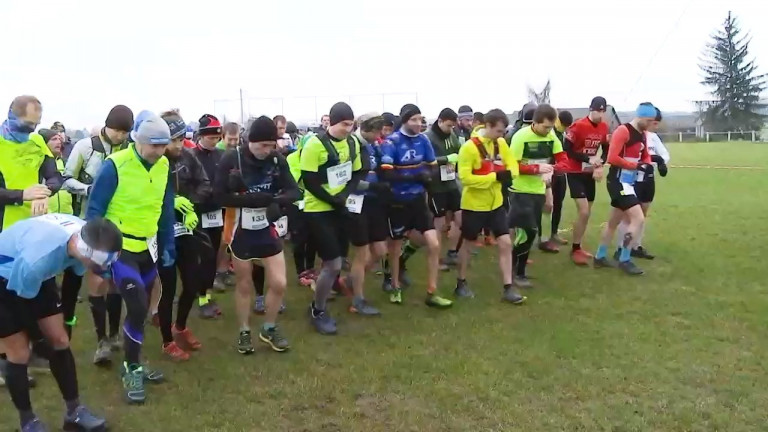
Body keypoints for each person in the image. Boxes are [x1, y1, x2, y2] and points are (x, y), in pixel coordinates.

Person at [86, 110, 175, 404]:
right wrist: (99, 252)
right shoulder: (115, 165)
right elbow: (94, 211)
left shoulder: (163, 165)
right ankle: (131, 367)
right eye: (155, 145)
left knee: (145, 309)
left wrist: (167, 245)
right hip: (120, 250)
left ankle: (134, 358)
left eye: (164, 146)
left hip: (147, 249)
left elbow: (164, 209)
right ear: (138, 141)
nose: (160, 151)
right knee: (136, 307)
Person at [0, 214, 118, 431]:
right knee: (19, 352)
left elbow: (73, 281)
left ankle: (74, 413)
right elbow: (21, 302)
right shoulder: (39, 258)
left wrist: (68, 321)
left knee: (61, 340)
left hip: (37, 276)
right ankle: (28, 422)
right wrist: (38, 339)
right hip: (7, 276)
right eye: (98, 265)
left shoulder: (85, 238)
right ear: (86, 251)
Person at [215, 116, 300, 353]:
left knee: (280, 283)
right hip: (241, 228)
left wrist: (276, 201)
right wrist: (249, 200)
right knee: (244, 284)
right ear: (250, 141)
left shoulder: (276, 159)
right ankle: (244, 331)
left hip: (267, 227)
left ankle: (269, 328)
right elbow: (219, 195)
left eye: (271, 145)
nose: (267, 150)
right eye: (262, 145)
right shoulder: (233, 158)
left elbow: (294, 191)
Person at [62, 105, 133, 359]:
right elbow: (65, 178)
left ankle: (114, 335)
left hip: (118, 224)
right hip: (87, 221)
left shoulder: (128, 150)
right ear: (107, 125)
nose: (120, 137)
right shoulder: (85, 147)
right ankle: (99, 339)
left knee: (114, 279)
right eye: (117, 131)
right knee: (94, 278)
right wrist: (87, 189)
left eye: (125, 133)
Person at [300, 102, 366, 334]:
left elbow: (357, 172)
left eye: (351, 124)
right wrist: (332, 199)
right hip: (318, 209)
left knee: (337, 261)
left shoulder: (353, 142)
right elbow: (309, 180)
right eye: (344, 124)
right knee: (333, 263)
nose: (348, 129)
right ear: (331, 122)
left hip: (340, 206)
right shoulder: (314, 144)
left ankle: (323, 290)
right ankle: (317, 310)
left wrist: (345, 195)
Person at [378, 103, 453, 308]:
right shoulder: (391, 142)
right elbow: (386, 172)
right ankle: (394, 285)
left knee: (434, 243)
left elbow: (432, 169)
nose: (419, 123)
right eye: (414, 119)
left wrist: (426, 177)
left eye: (421, 119)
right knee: (394, 247)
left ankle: (432, 291)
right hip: (397, 202)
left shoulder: (424, 141)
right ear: (404, 121)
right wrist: (413, 175)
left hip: (419, 200)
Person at [156, 110, 212, 361]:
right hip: (162, 233)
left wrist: (191, 204)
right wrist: (169, 203)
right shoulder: (153, 162)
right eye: (173, 140)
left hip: (187, 229)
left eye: (181, 139)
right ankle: (167, 340)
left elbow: (204, 183)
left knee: (191, 283)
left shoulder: (188, 157)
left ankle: (180, 326)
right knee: (167, 289)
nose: (179, 145)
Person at [456, 109, 525, 304]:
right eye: (498, 131)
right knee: (468, 245)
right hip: (474, 206)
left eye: (503, 132)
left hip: (496, 204)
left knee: (505, 243)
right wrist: (494, 177)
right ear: (487, 126)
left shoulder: (501, 143)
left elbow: (513, 166)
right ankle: (460, 282)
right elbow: (466, 178)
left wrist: (509, 174)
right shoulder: (469, 148)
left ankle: (508, 288)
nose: (502, 135)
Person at [508, 104, 569, 287]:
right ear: (534, 123)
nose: (548, 131)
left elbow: (563, 161)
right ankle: (514, 273)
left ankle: (517, 271)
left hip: (538, 191)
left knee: (529, 233)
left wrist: (552, 170)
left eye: (551, 127)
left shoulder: (552, 137)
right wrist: (536, 168)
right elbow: (513, 166)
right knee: (528, 232)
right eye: (545, 127)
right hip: (520, 191)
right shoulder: (521, 137)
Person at [593, 103, 657, 275]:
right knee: (638, 219)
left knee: (613, 221)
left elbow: (645, 155)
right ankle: (625, 258)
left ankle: (599, 256)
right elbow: (612, 158)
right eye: (649, 120)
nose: (651, 124)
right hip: (618, 182)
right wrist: (635, 165)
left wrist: (648, 164)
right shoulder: (623, 131)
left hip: (629, 182)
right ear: (641, 116)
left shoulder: (642, 134)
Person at [342, 112, 391, 315]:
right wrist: (373, 187)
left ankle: (349, 281)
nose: (381, 135)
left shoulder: (375, 144)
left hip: (374, 204)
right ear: (367, 130)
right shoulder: (350, 145)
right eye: (378, 131)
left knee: (380, 251)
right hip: (356, 203)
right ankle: (357, 300)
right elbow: (347, 180)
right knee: (362, 253)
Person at [559, 97, 610, 264]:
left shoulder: (604, 126)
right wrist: (589, 159)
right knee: (584, 211)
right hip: (575, 172)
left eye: (603, 111)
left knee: (587, 213)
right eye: (597, 110)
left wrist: (600, 164)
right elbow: (567, 149)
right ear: (590, 109)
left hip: (589, 173)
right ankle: (575, 250)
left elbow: (606, 149)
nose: (600, 114)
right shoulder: (578, 126)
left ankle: (578, 246)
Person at [615, 106, 669, 260]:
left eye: (656, 123)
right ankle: (621, 247)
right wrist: (652, 159)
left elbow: (664, 155)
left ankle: (636, 246)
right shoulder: (630, 134)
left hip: (648, 180)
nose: (655, 126)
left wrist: (658, 161)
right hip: (631, 180)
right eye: (653, 122)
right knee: (628, 216)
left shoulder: (653, 137)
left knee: (643, 214)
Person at [191, 114, 227, 318]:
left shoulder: (220, 156)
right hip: (196, 213)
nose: (215, 141)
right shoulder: (190, 156)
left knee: (213, 253)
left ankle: (206, 293)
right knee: (200, 256)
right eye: (211, 138)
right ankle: (199, 294)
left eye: (217, 138)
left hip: (217, 213)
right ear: (201, 136)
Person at [424, 108, 463, 269]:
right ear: (439, 121)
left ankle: (452, 252)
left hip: (451, 182)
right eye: (448, 125)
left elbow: (457, 152)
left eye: (453, 126)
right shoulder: (427, 137)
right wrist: (446, 159)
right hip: (436, 185)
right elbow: (426, 160)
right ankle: (436, 257)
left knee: (460, 218)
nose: (450, 129)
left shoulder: (452, 135)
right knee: (438, 222)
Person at [538, 110, 573, 252]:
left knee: (558, 204)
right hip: (547, 173)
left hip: (560, 173)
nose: (564, 128)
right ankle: (542, 236)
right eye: (562, 125)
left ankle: (554, 233)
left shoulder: (563, 134)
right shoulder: (549, 133)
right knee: (546, 206)